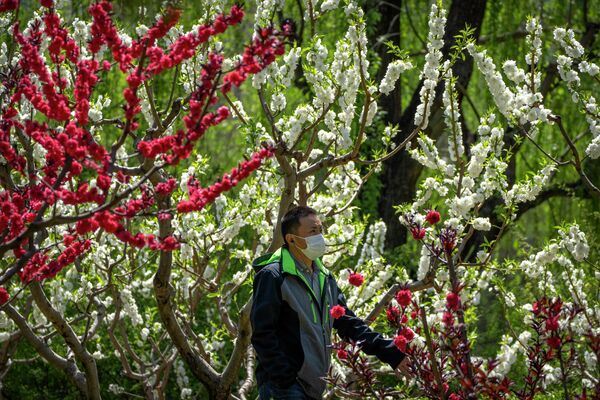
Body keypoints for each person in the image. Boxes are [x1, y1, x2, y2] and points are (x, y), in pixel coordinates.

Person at [250, 205, 408, 400]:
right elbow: (262, 334)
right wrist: (284, 378)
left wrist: (391, 352)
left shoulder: (326, 278)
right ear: (291, 239)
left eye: (320, 230)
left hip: (313, 387)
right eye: (312, 231)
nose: (319, 237)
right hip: (285, 387)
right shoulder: (274, 276)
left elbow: (349, 325)